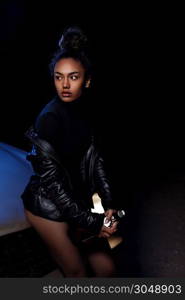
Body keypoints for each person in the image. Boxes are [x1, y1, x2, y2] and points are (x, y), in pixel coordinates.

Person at [21, 26, 118, 277]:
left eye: (73, 77)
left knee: (106, 268)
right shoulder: (49, 119)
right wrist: (95, 223)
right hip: (48, 207)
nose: (64, 85)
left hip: (80, 201)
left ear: (87, 80)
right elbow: (54, 186)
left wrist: (107, 205)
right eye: (58, 77)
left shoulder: (87, 110)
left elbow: (97, 162)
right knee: (77, 273)